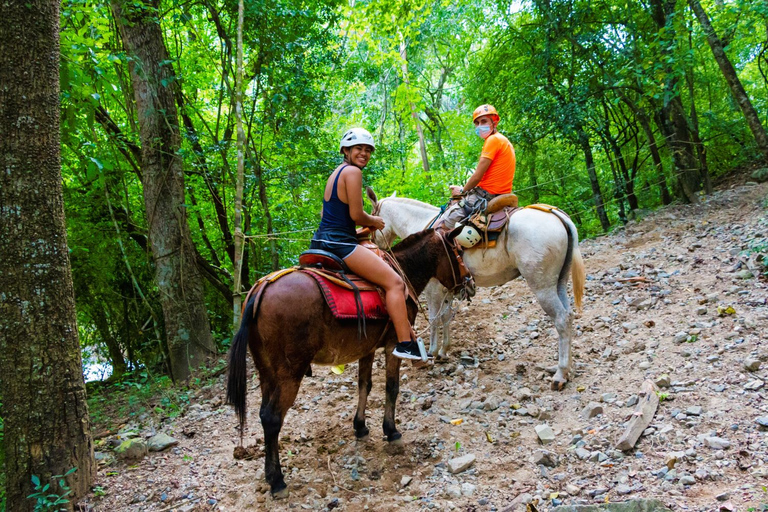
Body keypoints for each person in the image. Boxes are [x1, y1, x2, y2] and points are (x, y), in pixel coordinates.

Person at [310, 128, 423, 361]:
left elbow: (331, 217)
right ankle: (405, 344)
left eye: (368, 150)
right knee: (395, 283)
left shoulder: (335, 174)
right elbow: (356, 215)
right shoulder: (353, 172)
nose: (364, 153)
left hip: (322, 240)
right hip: (340, 245)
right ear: (346, 150)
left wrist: (361, 231)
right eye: (358, 149)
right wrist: (374, 221)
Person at [443, 104, 516, 230]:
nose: (479, 126)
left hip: (486, 196)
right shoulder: (504, 141)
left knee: (445, 223)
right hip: (501, 194)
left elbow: (477, 176)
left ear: (494, 122)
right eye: (477, 123)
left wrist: (462, 191)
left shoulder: (492, 140)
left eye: (484, 121)